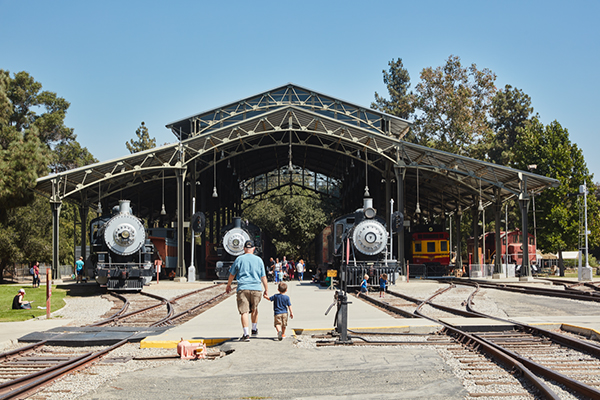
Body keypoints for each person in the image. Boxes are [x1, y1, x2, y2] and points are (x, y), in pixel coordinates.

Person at [226, 240, 269, 342]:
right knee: (254, 309)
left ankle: (246, 334)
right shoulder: (259, 260)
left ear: (244, 249)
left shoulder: (239, 259)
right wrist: (266, 289)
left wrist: (228, 285)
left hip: (243, 288)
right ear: (253, 249)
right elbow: (263, 277)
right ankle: (254, 329)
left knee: (244, 311)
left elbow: (232, 274)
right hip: (256, 289)